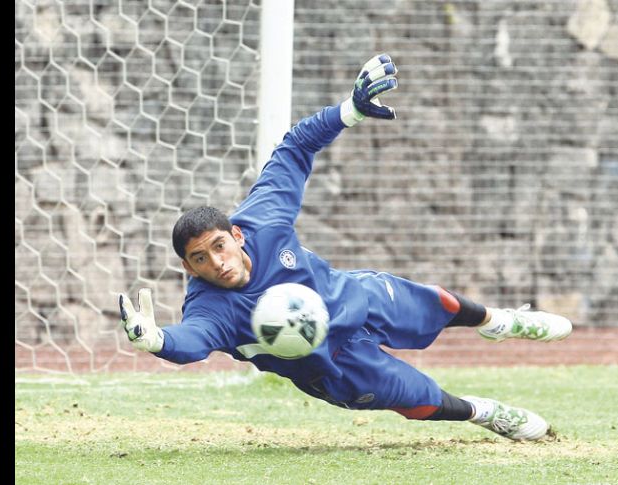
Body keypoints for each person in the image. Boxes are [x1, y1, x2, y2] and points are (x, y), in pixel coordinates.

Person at [118, 54, 572, 441]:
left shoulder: (263, 220)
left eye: (219, 246)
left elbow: (295, 147)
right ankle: (486, 413)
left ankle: (500, 321)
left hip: (355, 297)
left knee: (441, 301)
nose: (217, 262)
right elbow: (191, 341)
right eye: (201, 258)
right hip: (334, 367)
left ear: (236, 235)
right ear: (189, 268)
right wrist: (157, 340)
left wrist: (350, 110)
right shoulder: (210, 307)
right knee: (420, 402)